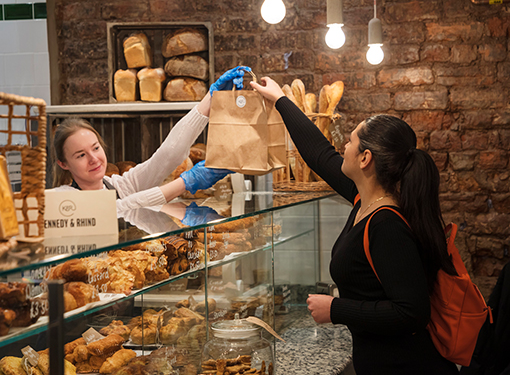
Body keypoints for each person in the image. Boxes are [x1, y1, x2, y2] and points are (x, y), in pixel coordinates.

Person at [251, 76, 460, 374]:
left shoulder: (386, 224)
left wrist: (336, 309)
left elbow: (412, 312)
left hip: (407, 366)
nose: (342, 147)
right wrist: (280, 101)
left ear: (365, 158)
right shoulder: (365, 199)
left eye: (348, 141)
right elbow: (319, 154)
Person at [52, 66, 251, 216]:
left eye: (95, 148)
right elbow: (116, 208)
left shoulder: (118, 186)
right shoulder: (62, 199)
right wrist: (184, 183)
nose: (93, 159)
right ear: (63, 164)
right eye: (80, 155)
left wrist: (210, 99)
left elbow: (166, 156)